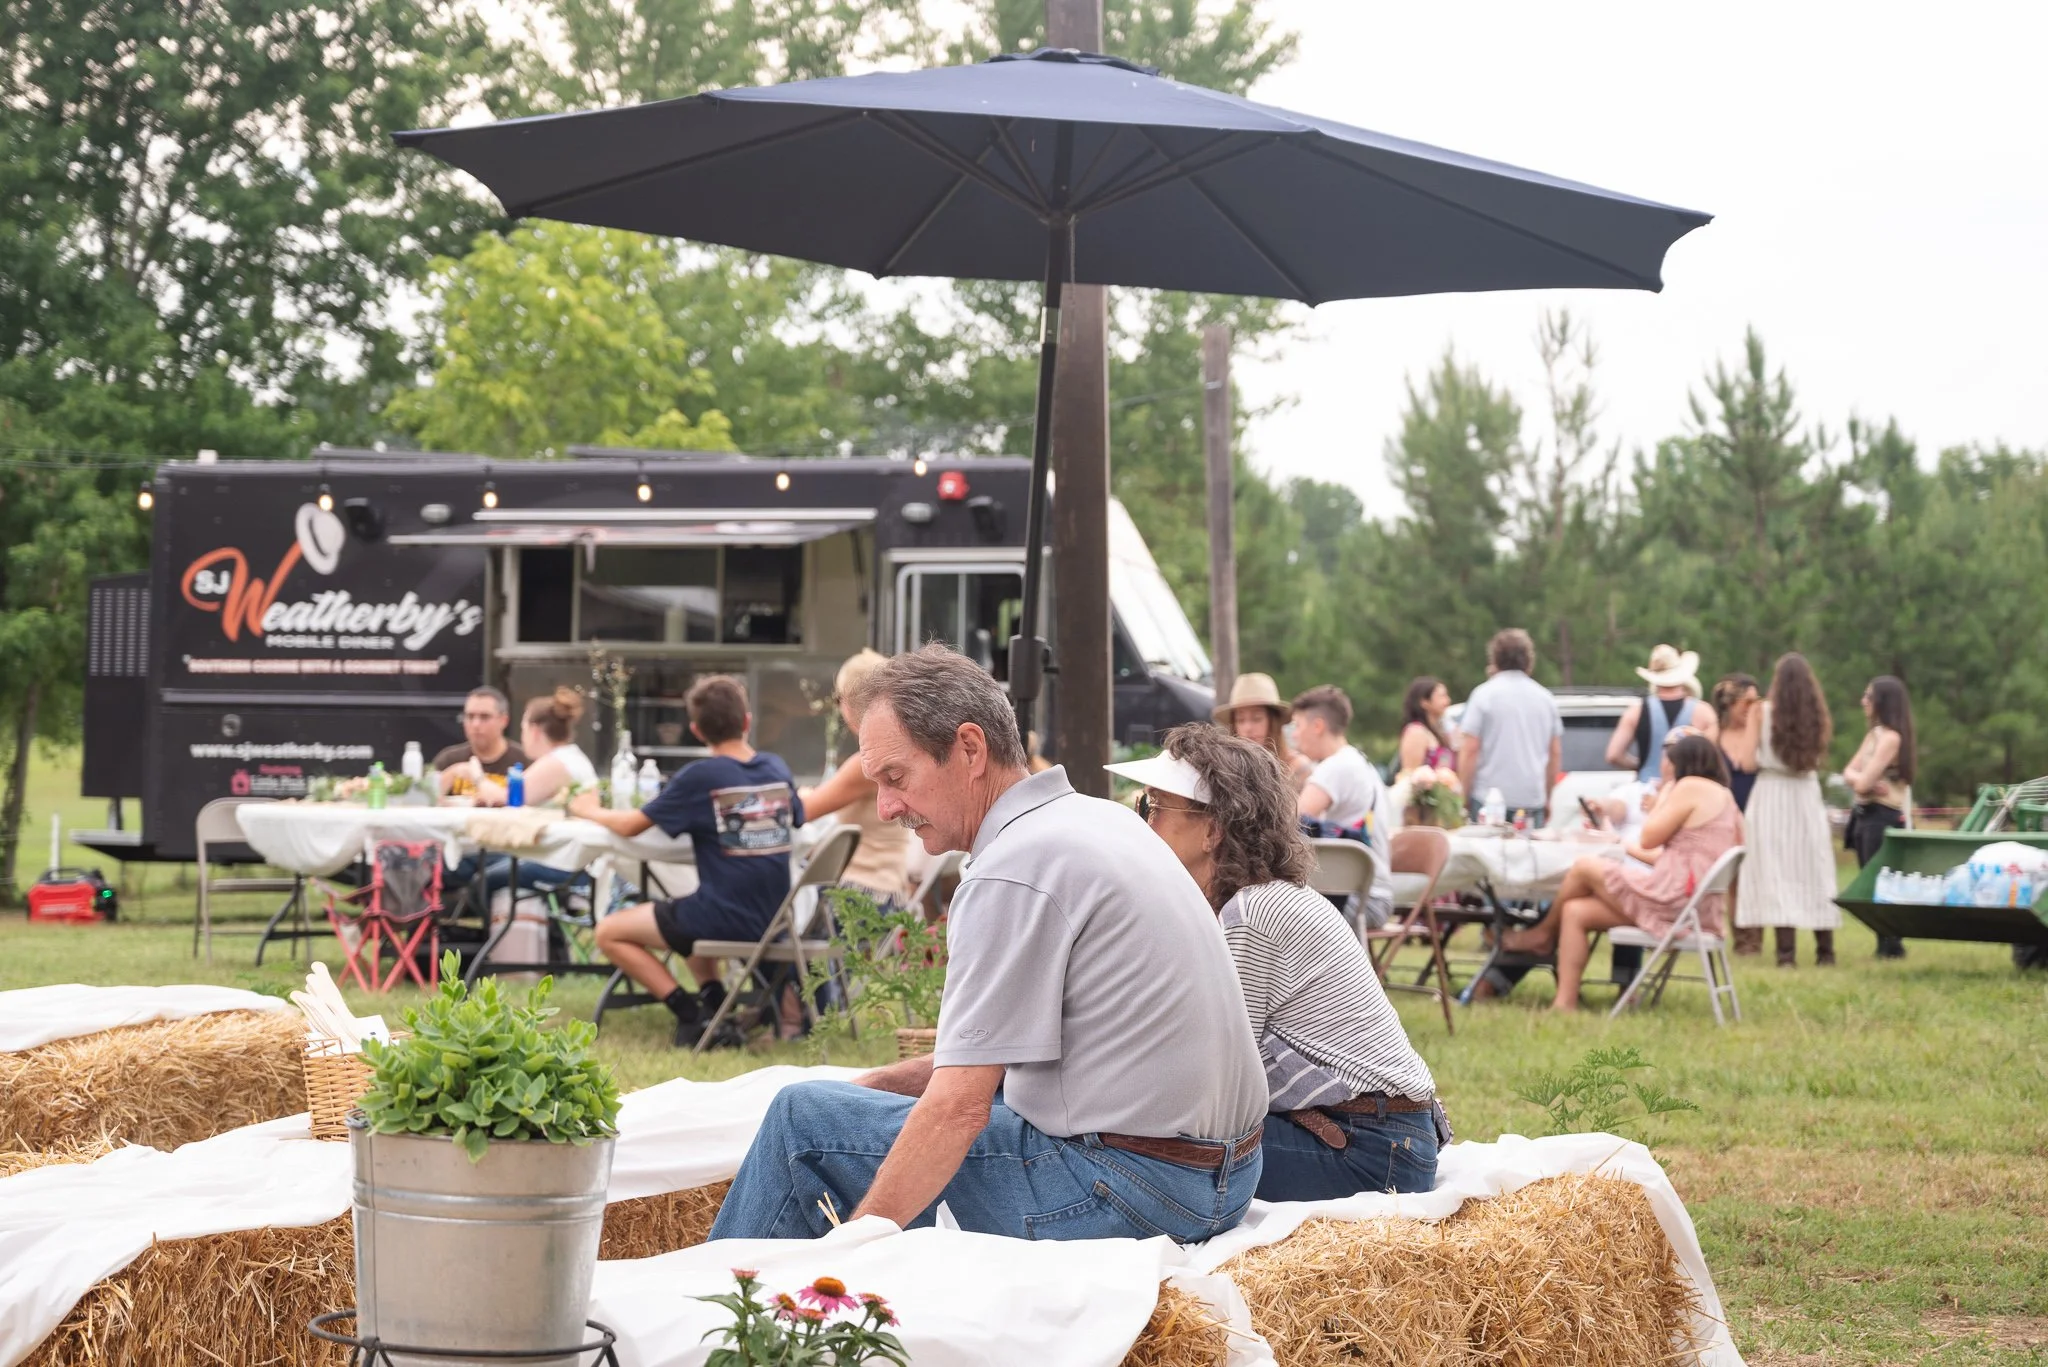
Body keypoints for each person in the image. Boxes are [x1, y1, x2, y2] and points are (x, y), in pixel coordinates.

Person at [706, 645, 1266, 1243]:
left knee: (801, 1121)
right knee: (839, 1105)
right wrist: (877, 1087)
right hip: (1227, 1179)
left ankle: (735, 1299)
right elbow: (1006, 1058)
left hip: (1130, 1188)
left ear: (970, 749)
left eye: (895, 778)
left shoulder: (1014, 866)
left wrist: (856, 1247)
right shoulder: (1103, 821)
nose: (886, 807)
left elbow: (959, 1109)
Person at [1107, 726, 1443, 1201]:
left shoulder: (1252, 913)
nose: (1144, 822)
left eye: (1154, 807)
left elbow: (1212, 1075)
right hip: (1379, 1135)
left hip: (1371, 1150)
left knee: (1142, 1156)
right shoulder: (1254, 900)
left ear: (1213, 830)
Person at [572, 675, 804, 1047]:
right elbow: (798, 816)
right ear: (747, 721)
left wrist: (588, 809)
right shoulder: (775, 768)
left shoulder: (700, 776)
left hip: (724, 918)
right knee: (684, 911)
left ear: (696, 731)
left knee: (608, 931)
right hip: (776, 917)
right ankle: (716, 1006)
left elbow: (631, 825)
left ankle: (690, 1015)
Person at [1502, 733, 1743, 1011]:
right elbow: (1690, 855)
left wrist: (1664, 796)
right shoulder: (1726, 798)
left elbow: (1648, 838)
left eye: (1670, 760)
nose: (1665, 766)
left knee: (1584, 866)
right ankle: (1564, 1003)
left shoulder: (1689, 786)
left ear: (1683, 764)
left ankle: (1542, 934)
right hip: (1697, 909)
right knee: (1575, 911)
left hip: (1672, 901)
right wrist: (1622, 842)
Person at [1723, 653, 1840, 968]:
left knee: (1777, 870)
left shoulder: (1761, 712)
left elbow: (1747, 762)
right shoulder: (1817, 715)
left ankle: (1786, 955)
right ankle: (1825, 952)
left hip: (1772, 793)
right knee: (1813, 868)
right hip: (1806, 794)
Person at [797, 650, 913, 908]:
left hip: (860, 894)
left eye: (839, 698)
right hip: (888, 892)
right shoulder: (899, 750)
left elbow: (802, 811)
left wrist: (803, 795)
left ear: (852, 701)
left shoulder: (867, 765)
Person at [1292, 685, 1397, 928]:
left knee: (1270, 910)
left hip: (1361, 900)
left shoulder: (1335, 767)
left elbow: (1289, 822)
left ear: (1318, 726)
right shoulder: (1360, 762)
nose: (1295, 735)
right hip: (1373, 895)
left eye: (1297, 725)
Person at [1456, 629, 1561, 824]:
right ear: (1529, 660)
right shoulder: (1545, 699)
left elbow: (1470, 749)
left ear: (1495, 659)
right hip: (1531, 800)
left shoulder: (1483, 695)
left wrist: (1463, 795)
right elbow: (1554, 753)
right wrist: (1547, 796)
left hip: (1487, 798)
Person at [1845, 675, 1916, 960]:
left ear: (1882, 702)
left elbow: (1860, 783)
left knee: (1881, 881)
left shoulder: (1890, 739)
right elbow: (1849, 772)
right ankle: (1883, 942)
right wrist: (1864, 781)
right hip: (1864, 814)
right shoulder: (1874, 735)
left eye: (1868, 696)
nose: (1863, 701)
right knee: (1868, 878)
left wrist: (1863, 782)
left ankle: (1891, 945)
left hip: (1882, 816)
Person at [1606, 645, 1720, 783]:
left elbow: (1613, 755)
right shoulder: (1703, 712)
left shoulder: (1635, 711)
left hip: (1646, 788)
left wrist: (1642, 766)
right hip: (1687, 788)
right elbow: (1712, 757)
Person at [472, 687, 597, 808]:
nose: (522, 737)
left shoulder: (555, 763)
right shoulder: (568, 757)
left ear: (534, 731)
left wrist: (477, 775)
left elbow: (507, 798)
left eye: (523, 729)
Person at [1710, 672, 1763, 954]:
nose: (1752, 708)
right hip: (1726, 813)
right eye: (1747, 703)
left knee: (1757, 876)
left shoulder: (1760, 734)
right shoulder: (1715, 736)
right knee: (1734, 879)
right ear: (1730, 704)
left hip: (1758, 811)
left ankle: (1757, 935)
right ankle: (1742, 939)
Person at [1215, 673, 1315, 790]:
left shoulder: (1296, 767)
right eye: (1240, 720)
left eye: (1257, 718)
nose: (1248, 728)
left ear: (1273, 721)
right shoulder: (1226, 770)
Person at [433, 687, 525, 798]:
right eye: (470, 716)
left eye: (485, 717)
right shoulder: (448, 759)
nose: (476, 724)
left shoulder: (523, 760)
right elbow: (425, 798)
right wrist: (451, 774)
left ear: (503, 721)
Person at [1396, 677, 1456, 774]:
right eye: (1442, 696)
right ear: (1424, 702)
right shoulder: (1416, 732)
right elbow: (1410, 773)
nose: (1448, 701)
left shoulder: (1440, 731)